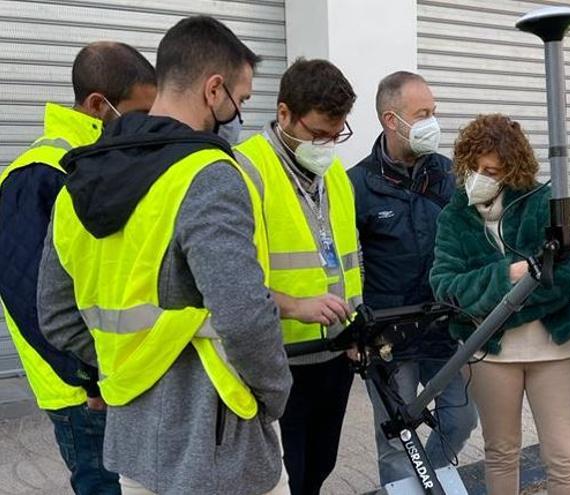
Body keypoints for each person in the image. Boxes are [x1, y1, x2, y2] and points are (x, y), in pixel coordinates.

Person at [38, 16, 292, 495]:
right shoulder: (209, 174)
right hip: (220, 438)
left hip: (133, 439)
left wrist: (126, 365)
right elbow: (243, 315)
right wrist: (276, 393)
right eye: (241, 99)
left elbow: (54, 316)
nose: (239, 113)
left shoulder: (79, 180)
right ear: (214, 90)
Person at [0, 41, 156, 495]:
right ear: (97, 105)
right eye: (139, 112)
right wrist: (87, 377)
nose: (146, 124)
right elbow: (32, 298)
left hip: (119, 378)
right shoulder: (40, 173)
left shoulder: (102, 161)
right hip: (84, 396)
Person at [431, 114, 570, 495]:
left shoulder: (542, 204)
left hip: (555, 349)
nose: (482, 177)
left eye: (494, 171)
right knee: (500, 453)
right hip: (488, 352)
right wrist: (509, 277)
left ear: (513, 172)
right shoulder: (453, 217)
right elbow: (445, 287)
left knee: (564, 457)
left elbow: (563, 280)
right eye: (476, 168)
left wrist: (496, 305)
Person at [233, 57, 361, 495]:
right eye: (318, 133)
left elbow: (349, 260)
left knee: (319, 467)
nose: (327, 144)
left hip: (336, 354)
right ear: (284, 113)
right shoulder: (244, 169)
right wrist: (294, 306)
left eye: (336, 134)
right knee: (287, 476)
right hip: (278, 360)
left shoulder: (335, 173)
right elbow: (231, 281)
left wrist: (357, 331)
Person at [348, 70, 478, 486]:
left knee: (460, 419)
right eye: (422, 113)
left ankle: (432, 480)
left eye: (433, 112)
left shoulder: (449, 174)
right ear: (391, 120)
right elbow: (347, 265)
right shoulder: (356, 186)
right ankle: (407, 487)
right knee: (395, 441)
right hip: (390, 338)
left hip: (443, 330)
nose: (432, 123)